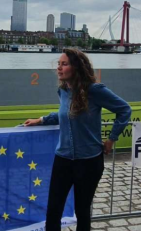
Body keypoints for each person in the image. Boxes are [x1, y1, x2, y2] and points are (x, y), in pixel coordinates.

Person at [23, 48, 132, 231]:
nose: (59, 68)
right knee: (53, 210)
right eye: (58, 64)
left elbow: (124, 109)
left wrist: (111, 139)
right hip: (63, 159)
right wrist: (40, 120)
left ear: (76, 67)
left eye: (64, 64)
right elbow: (64, 114)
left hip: (89, 161)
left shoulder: (95, 90)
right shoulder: (63, 91)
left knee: (82, 211)